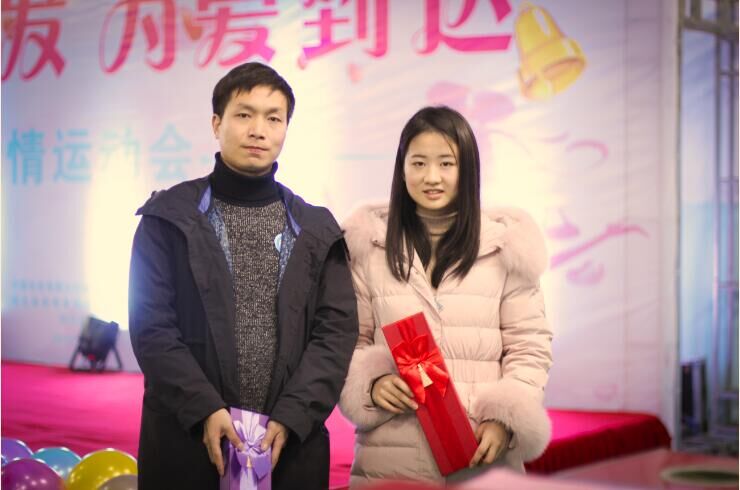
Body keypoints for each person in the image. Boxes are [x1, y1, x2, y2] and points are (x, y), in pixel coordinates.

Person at [128, 61, 358, 489]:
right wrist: (204, 408)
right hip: (188, 437)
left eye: (273, 118)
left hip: (288, 443)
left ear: (286, 129)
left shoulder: (316, 229)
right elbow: (151, 327)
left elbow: (336, 333)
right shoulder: (169, 218)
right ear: (217, 124)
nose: (258, 130)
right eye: (244, 114)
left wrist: (294, 414)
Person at [338, 106, 553, 486]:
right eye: (418, 163)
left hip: (480, 452)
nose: (432, 177)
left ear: (467, 169)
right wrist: (371, 384)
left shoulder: (506, 247)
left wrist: (505, 419)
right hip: (389, 457)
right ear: (401, 168)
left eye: (446, 163)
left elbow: (529, 347)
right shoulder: (368, 247)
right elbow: (347, 341)